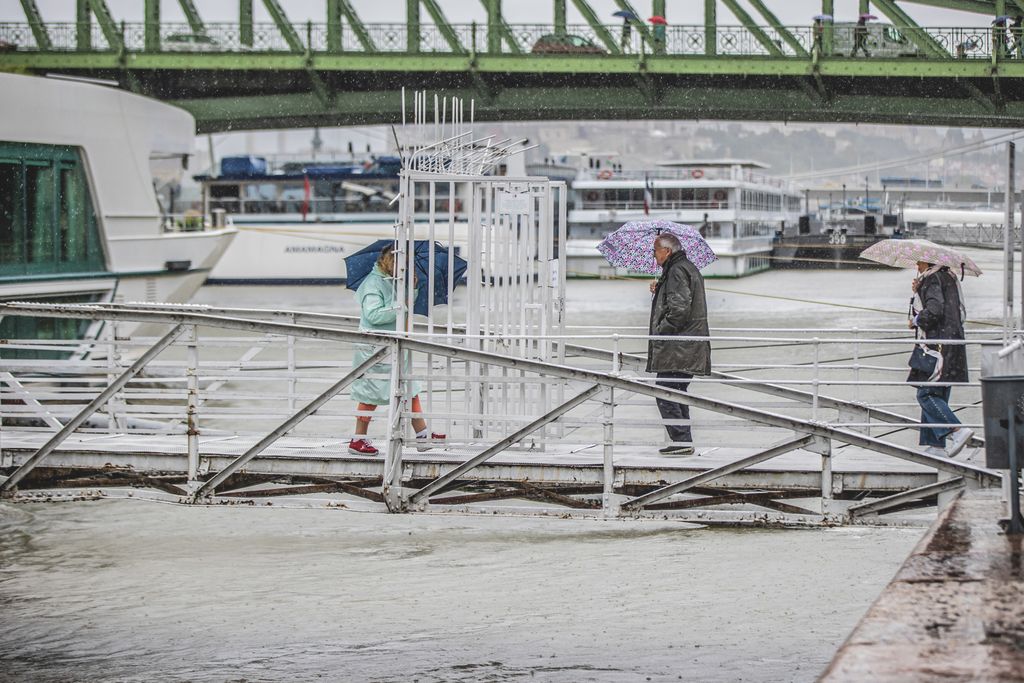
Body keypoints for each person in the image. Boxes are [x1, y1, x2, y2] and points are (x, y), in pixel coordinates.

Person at [347, 243, 443, 456]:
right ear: (390, 261)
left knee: (409, 388)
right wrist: (401, 307)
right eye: (403, 264)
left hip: (393, 344)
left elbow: (402, 304)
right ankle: (358, 439)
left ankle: (422, 435)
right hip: (376, 348)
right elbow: (373, 315)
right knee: (370, 393)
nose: (406, 269)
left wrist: (414, 289)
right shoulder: (373, 284)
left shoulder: (393, 281)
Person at [647, 233, 711, 456]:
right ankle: (683, 441)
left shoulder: (675, 271)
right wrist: (660, 289)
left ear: (667, 251)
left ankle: (682, 442)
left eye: (655, 251)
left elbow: (679, 311)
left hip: (679, 347)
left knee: (665, 391)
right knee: (676, 391)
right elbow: (679, 301)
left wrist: (660, 330)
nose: (653, 256)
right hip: (689, 346)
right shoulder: (685, 268)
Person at [908, 260, 973, 458]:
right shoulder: (948, 277)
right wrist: (918, 289)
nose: (916, 265)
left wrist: (916, 320)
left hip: (937, 346)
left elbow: (934, 310)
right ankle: (935, 446)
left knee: (926, 394)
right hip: (952, 342)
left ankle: (957, 430)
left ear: (928, 261)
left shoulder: (932, 279)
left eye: (918, 261)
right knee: (938, 393)